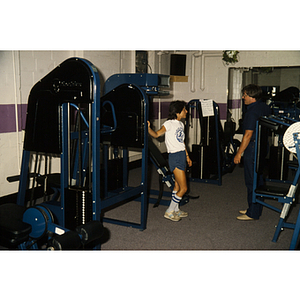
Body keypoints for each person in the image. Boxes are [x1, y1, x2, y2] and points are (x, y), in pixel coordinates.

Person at [148, 100, 192, 222]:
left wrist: (187, 156)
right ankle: (169, 211)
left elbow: (182, 142)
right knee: (184, 189)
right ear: (178, 112)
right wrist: (148, 128)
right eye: (184, 109)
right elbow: (156, 135)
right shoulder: (169, 124)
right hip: (175, 157)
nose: (186, 111)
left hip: (182, 155)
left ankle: (176, 209)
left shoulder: (181, 124)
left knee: (177, 185)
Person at [234, 84, 271, 221]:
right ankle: (254, 207)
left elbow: (248, 135)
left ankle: (253, 213)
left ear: (252, 97)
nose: (243, 97)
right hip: (262, 147)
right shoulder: (265, 107)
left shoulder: (251, 112)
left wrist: (239, 153)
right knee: (259, 178)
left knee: (251, 181)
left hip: (253, 148)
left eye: (245, 95)